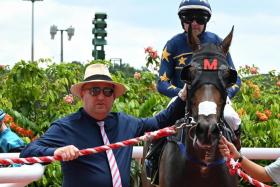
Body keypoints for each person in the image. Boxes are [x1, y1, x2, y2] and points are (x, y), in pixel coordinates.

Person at [20, 63, 187, 187]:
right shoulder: (66, 127)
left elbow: (160, 121)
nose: (101, 96)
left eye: (107, 92)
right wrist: (56, 151)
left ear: (114, 97)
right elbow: (27, 154)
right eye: (94, 90)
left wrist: (183, 96)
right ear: (82, 94)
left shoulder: (125, 123)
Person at [156, 0, 242, 134]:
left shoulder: (218, 42)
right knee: (162, 122)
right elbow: (161, 83)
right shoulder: (172, 44)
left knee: (232, 118)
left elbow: (235, 79)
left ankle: (236, 152)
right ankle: (152, 154)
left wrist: (225, 94)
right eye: (188, 17)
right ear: (181, 19)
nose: (194, 23)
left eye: (200, 18)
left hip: (214, 99)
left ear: (207, 20)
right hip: (181, 99)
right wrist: (182, 94)